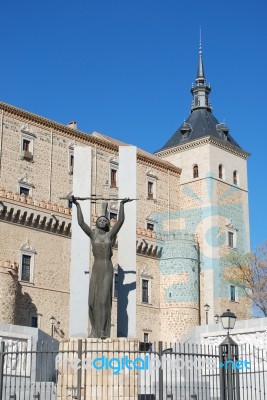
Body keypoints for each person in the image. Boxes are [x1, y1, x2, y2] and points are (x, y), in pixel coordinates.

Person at [71, 196, 131, 339]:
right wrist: (77, 204)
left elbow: (121, 221)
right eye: (100, 220)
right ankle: (94, 330)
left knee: (104, 301)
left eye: (105, 220)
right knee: (92, 301)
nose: (103, 221)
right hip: (97, 268)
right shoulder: (92, 235)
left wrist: (122, 204)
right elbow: (80, 222)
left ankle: (103, 331)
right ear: (97, 223)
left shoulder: (111, 235)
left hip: (107, 268)